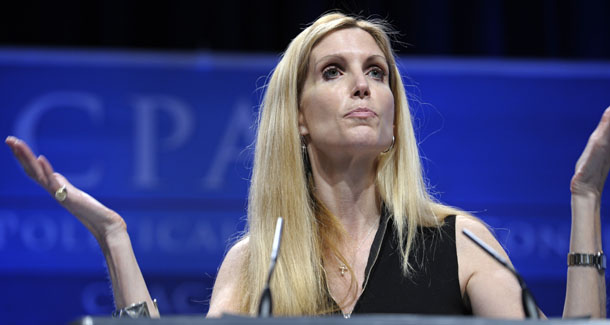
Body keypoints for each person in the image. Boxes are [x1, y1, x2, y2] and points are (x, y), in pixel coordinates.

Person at [5, 12, 609, 319]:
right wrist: (115, 241)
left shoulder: (458, 243)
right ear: (297, 117)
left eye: (377, 72)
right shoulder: (256, 264)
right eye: (333, 72)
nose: (363, 86)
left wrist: (584, 199)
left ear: (395, 116)